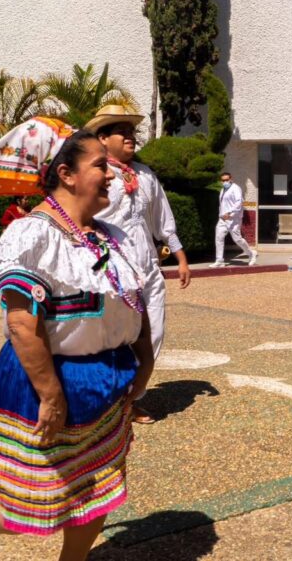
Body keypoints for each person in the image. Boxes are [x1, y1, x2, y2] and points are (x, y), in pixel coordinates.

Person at [0, 117, 163, 561]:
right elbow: (22, 324)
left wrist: (143, 363)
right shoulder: (31, 236)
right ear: (66, 174)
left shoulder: (114, 237)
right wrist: (50, 395)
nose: (112, 175)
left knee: (98, 491)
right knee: (34, 500)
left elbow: (135, 303)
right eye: (100, 165)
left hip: (107, 381)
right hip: (46, 383)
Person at [86, 104, 192, 424]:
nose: (130, 137)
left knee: (153, 332)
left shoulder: (145, 175)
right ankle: (112, 401)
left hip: (148, 267)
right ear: (103, 138)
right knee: (113, 336)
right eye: (122, 132)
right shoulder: (96, 174)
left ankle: (133, 397)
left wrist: (180, 256)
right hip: (111, 268)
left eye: (132, 132)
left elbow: (163, 220)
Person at [210, 171, 257, 268]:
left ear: (231, 179)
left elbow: (239, 202)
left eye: (226, 180)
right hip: (222, 218)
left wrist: (230, 213)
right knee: (219, 238)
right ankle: (219, 260)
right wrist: (221, 214)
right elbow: (222, 204)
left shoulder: (236, 188)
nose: (224, 182)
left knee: (237, 239)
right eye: (223, 180)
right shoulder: (223, 190)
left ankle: (251, 254)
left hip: (233, 219)